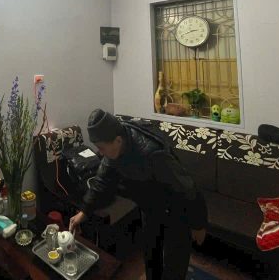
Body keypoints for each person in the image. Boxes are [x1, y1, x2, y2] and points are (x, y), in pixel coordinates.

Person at [69, 109, 207, 280]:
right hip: (150, 207)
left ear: (118, 141)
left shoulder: (153, 154)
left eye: (102, 148)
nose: (100, 153)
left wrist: (198, 224)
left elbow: (187, 188)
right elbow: (101, 182)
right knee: (151, 254)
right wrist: (83, 212)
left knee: (174, 265)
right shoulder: (114, 148)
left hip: (176, 210)